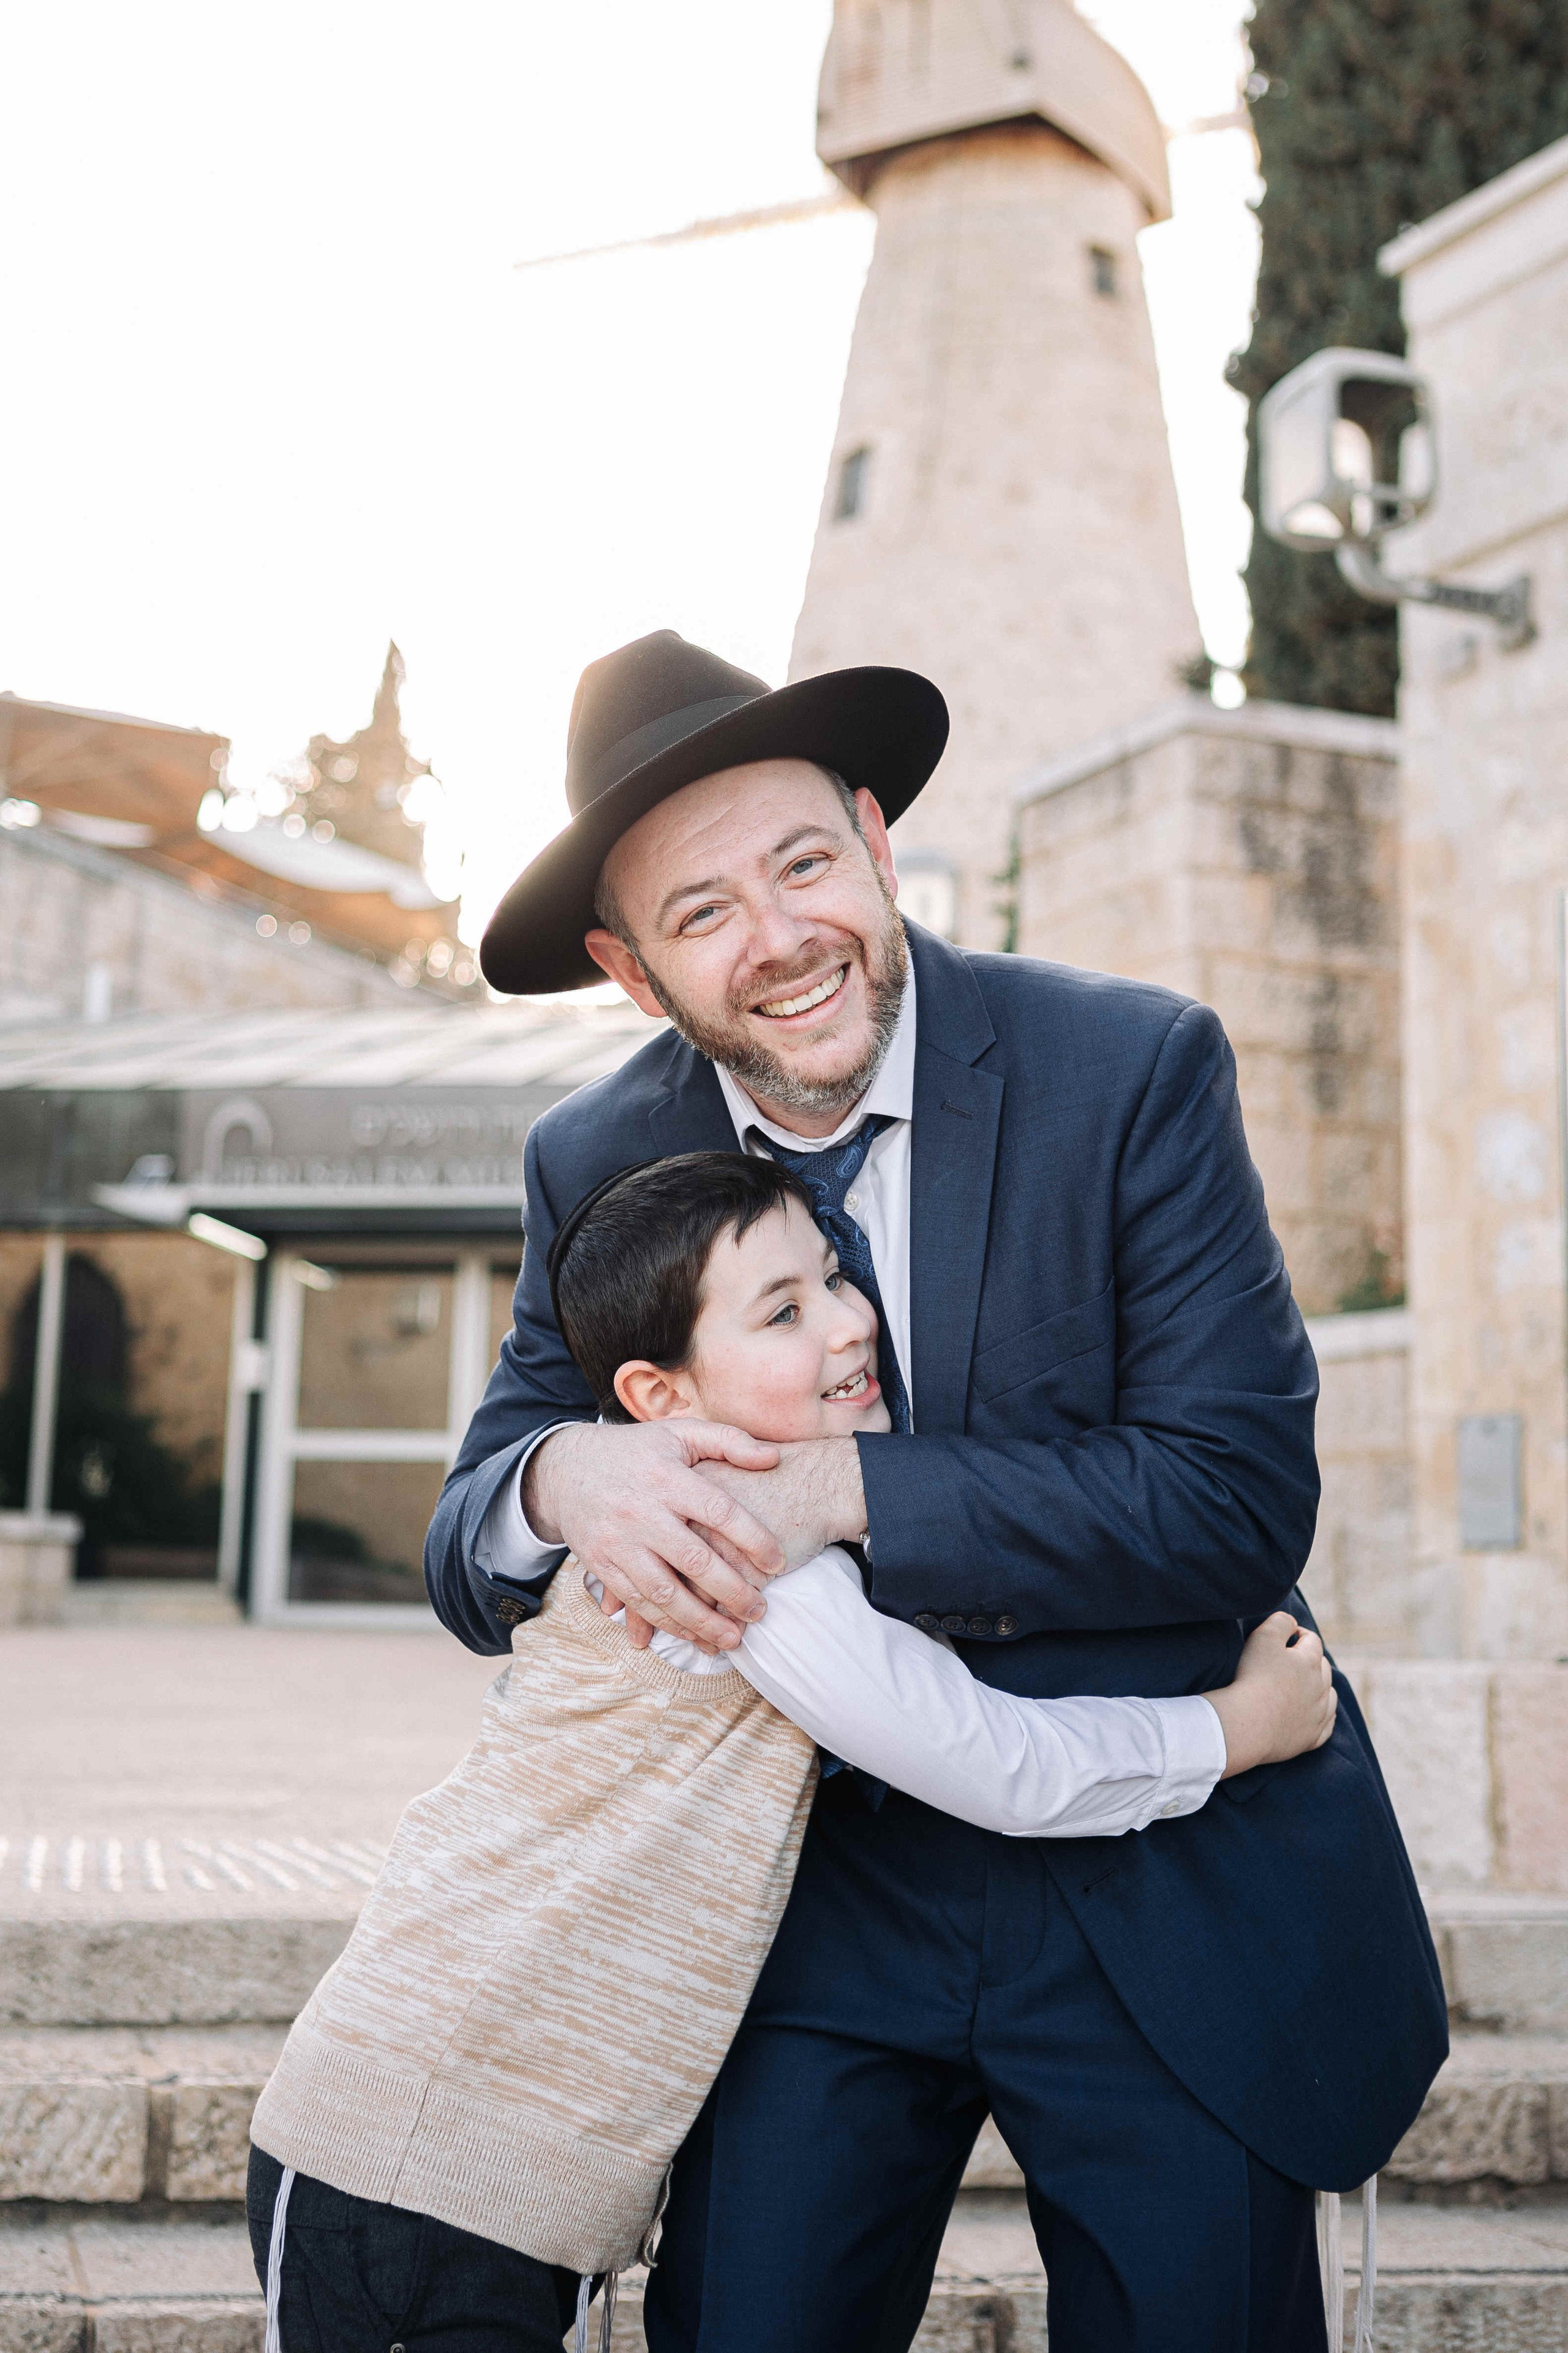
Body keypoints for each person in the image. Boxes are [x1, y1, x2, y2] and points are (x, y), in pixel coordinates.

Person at [427, 631, 1449, 2353]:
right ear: (626, 967)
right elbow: (469, 1545)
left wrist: (843, 1488)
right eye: (702, 913)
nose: (782, 938)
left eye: (805, 862)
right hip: (809, 1903)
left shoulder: (1133, 1072)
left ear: (880, 840)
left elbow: (1233, 1496)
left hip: (1168, 1878)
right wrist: (561, 1469)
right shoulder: (590, 1158)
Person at [246, 1152, 1336, 2353]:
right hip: (419, 2166)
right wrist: (1239, 1728)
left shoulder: (734, 1521)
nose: (846, 1320)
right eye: (781, 1311)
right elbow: (1002, 1763)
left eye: (830, 1276)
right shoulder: (737, 1547)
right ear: (655, 1397)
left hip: (478, 2171)